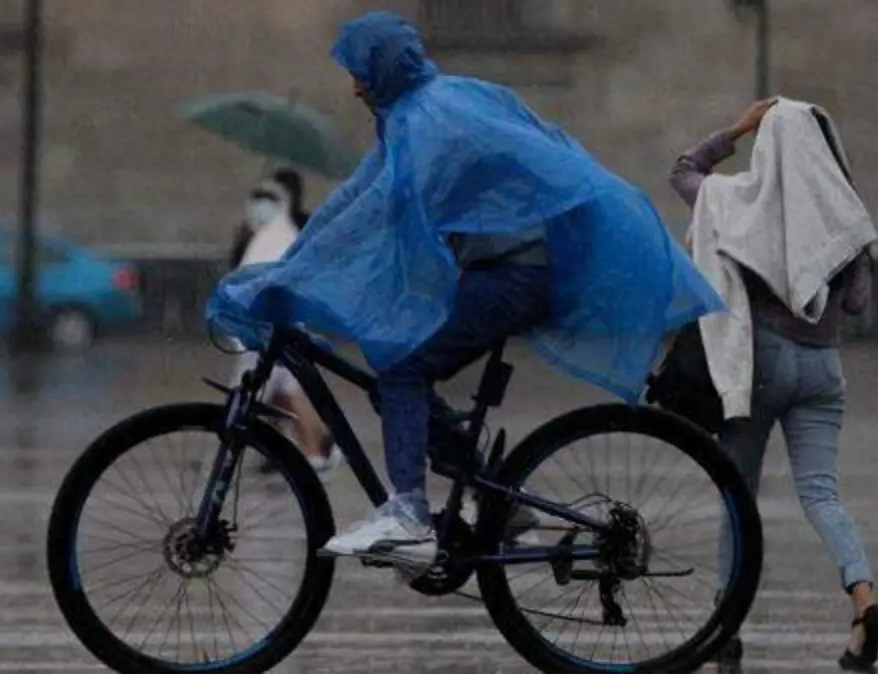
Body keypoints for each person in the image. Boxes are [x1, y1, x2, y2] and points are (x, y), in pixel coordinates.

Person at [208, 12, 723, 563]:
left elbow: (383, 209)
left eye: (360, 72)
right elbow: (353, 198)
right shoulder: (434, 104)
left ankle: (409, 515)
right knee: (395, 385)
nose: (355, 86)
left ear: (382, 69)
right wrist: (288, 266)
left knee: (403, 366)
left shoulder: (424, 121)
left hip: (513, 274)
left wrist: (297, 276)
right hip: (504, 269)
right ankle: (499, 498)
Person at [670, 98, 878, 672]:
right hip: (823, 370)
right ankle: (864, 602)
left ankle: (726, 626)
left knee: (736, 495)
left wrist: (738, 128)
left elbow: (683, 171)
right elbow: (859, 304)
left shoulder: (737, 200)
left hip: (758, 366)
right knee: (822, 495)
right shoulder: (847, 216)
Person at [228, 176, 339, 473]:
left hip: (270, 327)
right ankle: (313, 446)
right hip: (263, 326)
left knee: (282, 391)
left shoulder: (282, 236)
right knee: (280, 393)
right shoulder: (261, 235)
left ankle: (315, 451)